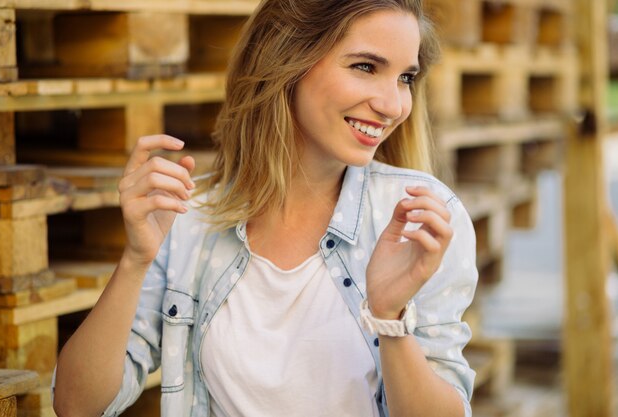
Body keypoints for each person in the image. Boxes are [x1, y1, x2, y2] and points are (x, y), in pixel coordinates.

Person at [52, 0, 478, 416]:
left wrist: (389, 318)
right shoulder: (188, 218)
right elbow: (76, 406)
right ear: (286, 61)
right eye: (365, 67)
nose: (393, 105)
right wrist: (135, 260)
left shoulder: (418, 216)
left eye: (405, 77)